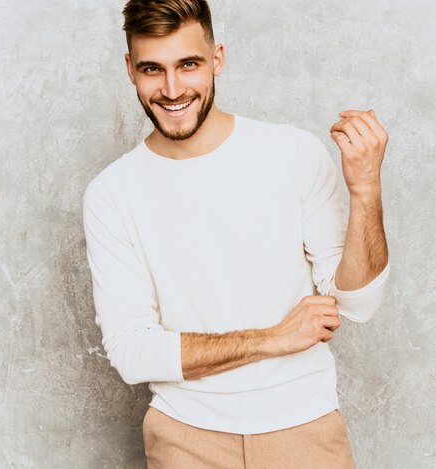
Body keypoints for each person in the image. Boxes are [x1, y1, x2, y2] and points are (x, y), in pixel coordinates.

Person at [82, 0, 390, 467]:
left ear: (217, 59)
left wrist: (366, 190)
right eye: (152, 69)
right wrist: (269, 338)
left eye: (189, 64)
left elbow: (358, 304)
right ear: (130, 70)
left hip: (304, 431)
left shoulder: (293, 154)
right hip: (185, 439)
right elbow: (132, 352)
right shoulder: (111, 193)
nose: (171, 89)